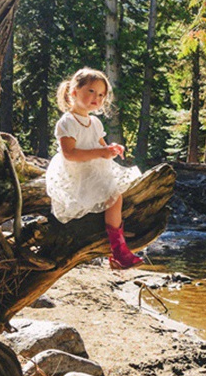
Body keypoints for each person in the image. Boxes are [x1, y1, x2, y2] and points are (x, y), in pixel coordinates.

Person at [45, 67, 144, 270]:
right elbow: (70, 154)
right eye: (91, 91)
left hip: (94, 167)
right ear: (73, 92)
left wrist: (112, 149)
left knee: (125, 188)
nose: (96, 98)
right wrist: (101, 153)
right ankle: (118, 251)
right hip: (75, 172)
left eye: (101, 95)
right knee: (115, 197)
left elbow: (101, 146)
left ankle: (118, 247)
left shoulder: (96, 122)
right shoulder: (67, 122)